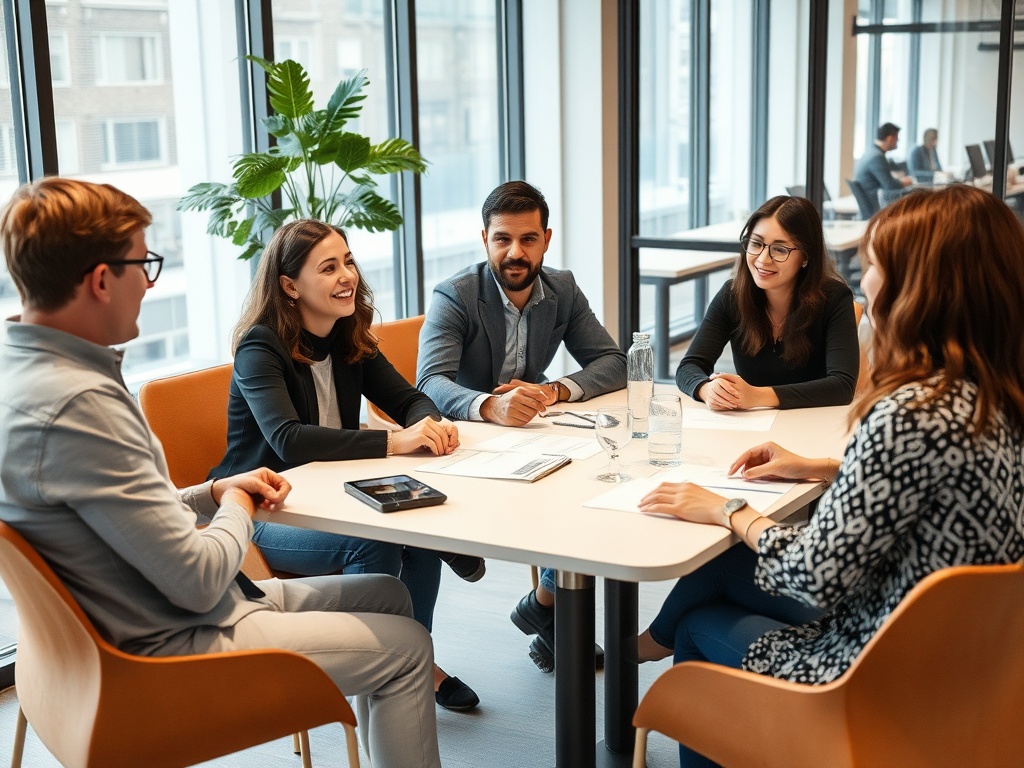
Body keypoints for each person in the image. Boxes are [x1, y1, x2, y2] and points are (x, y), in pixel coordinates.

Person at [0, 178, 442, 768]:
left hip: (145, 616)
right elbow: (202, 580)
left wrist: (211, 491)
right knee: (409, 648)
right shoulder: (82, 408)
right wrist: (239, 504)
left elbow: (127, 511)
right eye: (144, 263)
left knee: (390, 593)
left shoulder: (27, 379)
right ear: (102, 280)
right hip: (176, 639)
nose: (150, 283)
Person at [638, 184, 1024, 767]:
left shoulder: (909, 413)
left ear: (921, 287)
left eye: (877, 265)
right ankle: (641, 646)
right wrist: (822, 465)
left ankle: (661, 653)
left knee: (700, 621)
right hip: (965, 660)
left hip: (872, 674)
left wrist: (729, 511)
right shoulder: (993, 396)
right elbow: (941, 478)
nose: (866, 281)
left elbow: (814, 577)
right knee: (727, 562)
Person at [208, 218, 481, 712]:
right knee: (376, 536)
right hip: (263, 510)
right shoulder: (260, 346)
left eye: (349, 262)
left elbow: (410, 399)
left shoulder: (347, 334)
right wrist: (396, 442)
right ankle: (376, 673)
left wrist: (429, 424)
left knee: (414, 531)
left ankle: (414, 661)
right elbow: (289, 441)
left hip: (330, 494)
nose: (347, 276)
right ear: (290, 286)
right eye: (329, 267)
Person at [416, 180, 627, 673]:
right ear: (484, 239)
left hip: (531, 438)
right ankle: (546, 612)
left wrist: (553, 391)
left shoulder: (562, 288)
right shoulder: (456, 295)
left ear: (547, 240)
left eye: (528, 239)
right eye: (502, 238)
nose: (515, 251)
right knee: (573, 499)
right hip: (461, 444)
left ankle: (545, 605)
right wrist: (490, 405)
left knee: (599, 486)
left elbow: (611, 360)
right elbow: (430, 381)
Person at [675, 195, 859, 411]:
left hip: (812, 425)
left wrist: (757, 396)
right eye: (756, 243)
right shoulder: (732, 295)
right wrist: (706, 389)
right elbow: (689, 366)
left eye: (780, 249)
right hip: (753, 426)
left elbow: (842, 386)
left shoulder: (835, 298)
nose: (762, 259)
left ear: (806, 257)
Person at [854, 122, 915, 212]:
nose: (897, 142)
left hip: (872, 199)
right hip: (876, 203)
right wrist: (906, 182)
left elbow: (889, 174)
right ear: (890, 139)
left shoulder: (872, 151)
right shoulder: (877, 157)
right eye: (897, 139)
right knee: (914, 196)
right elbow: (890, 185)